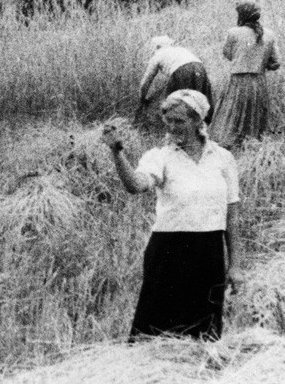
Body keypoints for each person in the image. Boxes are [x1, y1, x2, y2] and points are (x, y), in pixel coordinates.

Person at [102, 90, 240, 340]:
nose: (172, 127)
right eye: (169, 121)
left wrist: (236, 265)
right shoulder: (161, 157)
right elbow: (135, 184)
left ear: (198, 121)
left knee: (204, 334)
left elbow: (232, 215)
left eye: (180, 121)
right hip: (169, 253)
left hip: (209, 253)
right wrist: (117, 152)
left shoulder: (223, 158)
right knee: (155, 334)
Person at [210, 1, 280, 146]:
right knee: (254, 112)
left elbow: (228, 54)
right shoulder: (269, 34)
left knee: (233, 111)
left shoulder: (233, 32)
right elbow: (275, 62)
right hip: (258, 80)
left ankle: (230, 141)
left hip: (238, 79)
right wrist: (261, 61)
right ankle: (252, 142)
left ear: (241, 15)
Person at [139, 35, 213, 122]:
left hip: (181, 71)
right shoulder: (180, 49)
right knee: (203, 99)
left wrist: (142, 98)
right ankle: (208, 125)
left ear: (156, 47)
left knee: (175, 102)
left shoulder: (157, 56)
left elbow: (146, 82)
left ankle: (177, 125)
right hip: (200, 67)